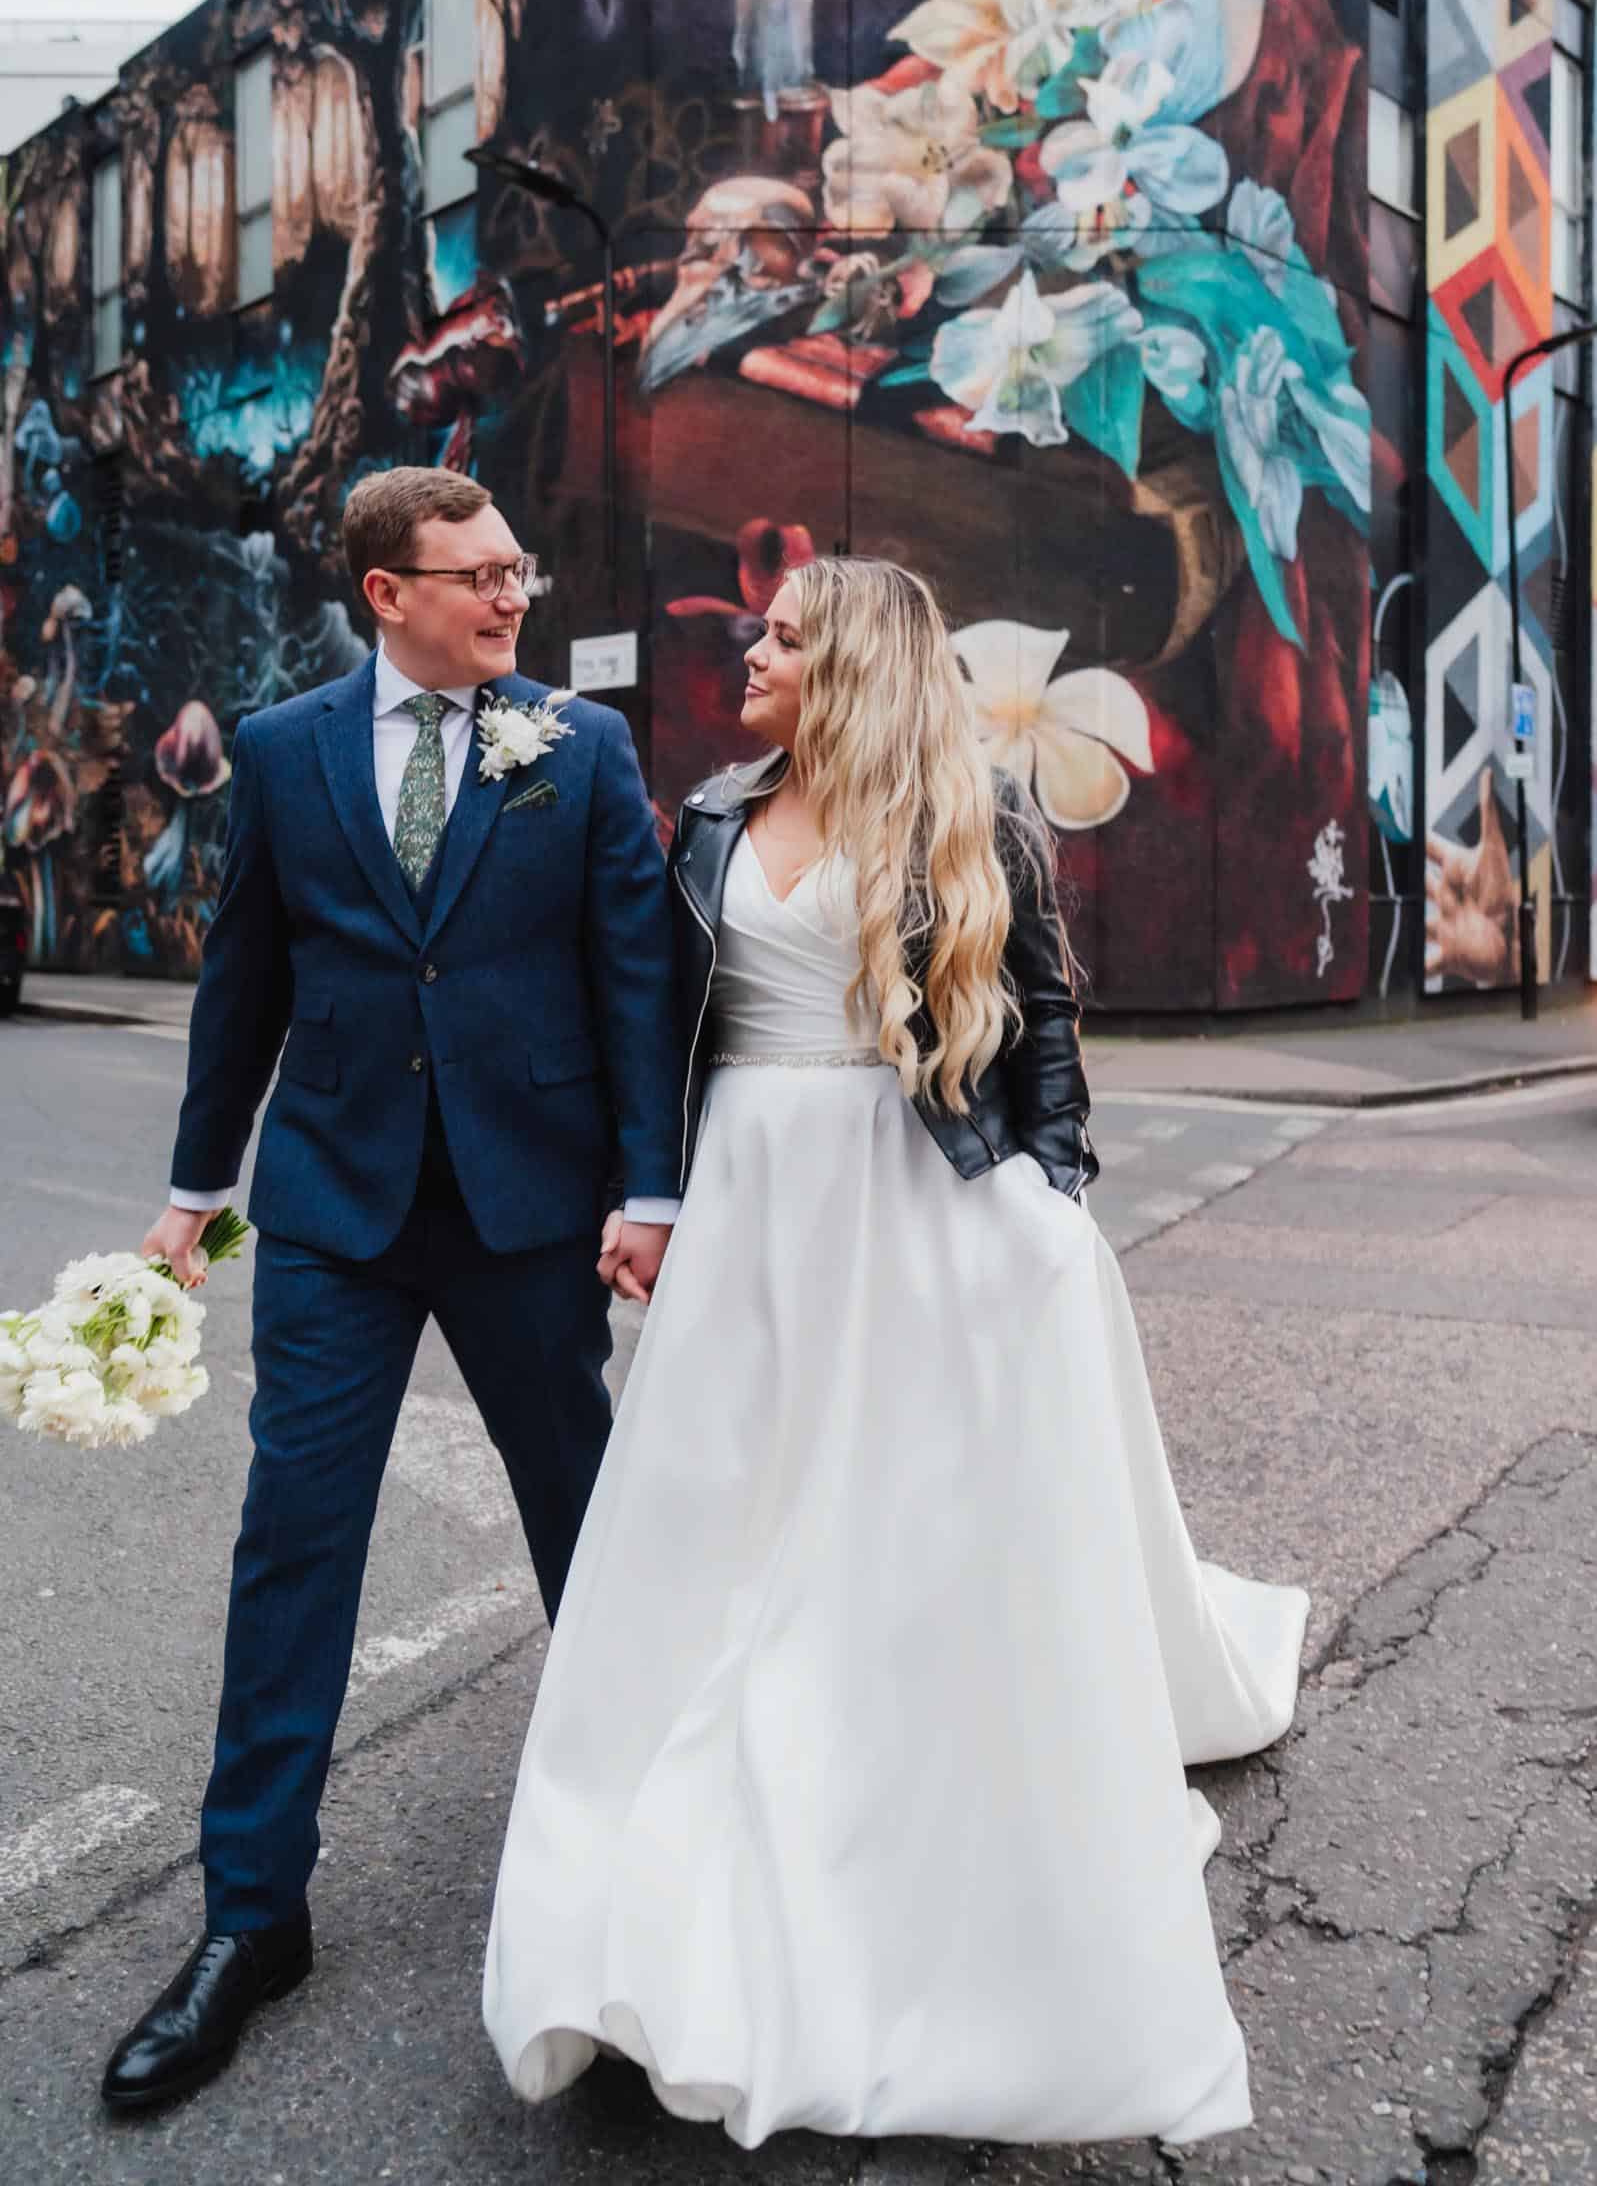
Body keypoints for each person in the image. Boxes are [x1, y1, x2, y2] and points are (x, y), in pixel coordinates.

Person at [483, 555, 1309, 2150]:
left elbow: (1042, 1017)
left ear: (854, 664)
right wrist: (650, 1197)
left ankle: (877, 1814)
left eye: (786, 638)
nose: (753, 652)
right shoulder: (710, 816)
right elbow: (661, 1021)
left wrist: (1050, 1192)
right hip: (749, 1196)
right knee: (721, 1513)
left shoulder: (968, 817)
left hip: (916, 1192)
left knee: (898, 1525)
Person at [102, 467, 684, 2112]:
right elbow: (245, 980)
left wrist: (651, 1190)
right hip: (332, 1209)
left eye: (517, 568)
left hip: (528, 1206)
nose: (511, 595)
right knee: (293, 1538)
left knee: (585, 1529)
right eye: (477, 573)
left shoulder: (578, 746)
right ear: (386, 593)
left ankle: (648, 1880)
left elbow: (634, 978)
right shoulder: (284, 750)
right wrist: (195, 1192)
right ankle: (249, 1919)